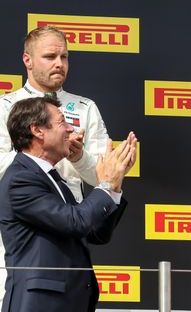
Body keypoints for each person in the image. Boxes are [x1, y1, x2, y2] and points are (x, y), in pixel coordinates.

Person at [0, 26, 109, 302]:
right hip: (21, 227)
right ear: (28, 60)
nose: (59, 64)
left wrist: (78, 157)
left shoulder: (86, 108)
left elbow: (103, 177)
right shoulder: (5, 106)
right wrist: (51, 151)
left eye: (64, 57)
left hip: (70, 224)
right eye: (50, 56)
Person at [0, 97, 136, 312]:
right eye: (62, 122)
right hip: (40, 304)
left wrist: (115, 186)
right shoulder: (21, 179)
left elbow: (96, 234)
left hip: (70, 302)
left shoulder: (53, 178)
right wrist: (106, 182)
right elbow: (76, 222)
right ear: (37, 130)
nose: (71, 129)